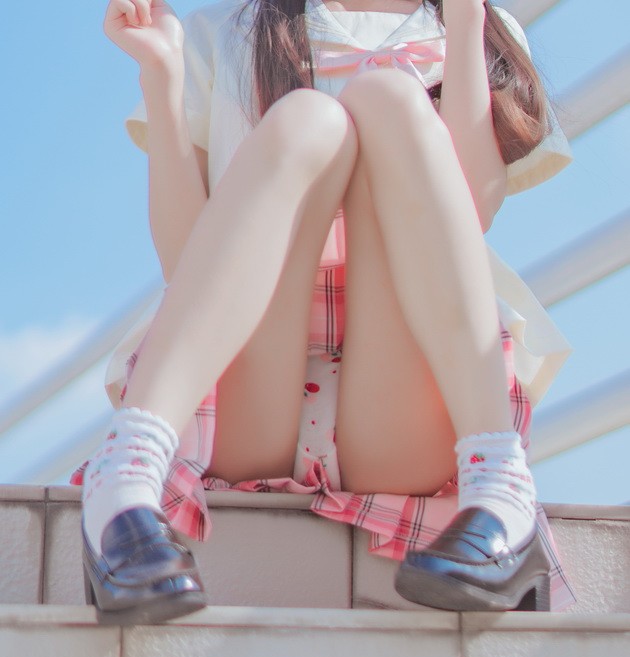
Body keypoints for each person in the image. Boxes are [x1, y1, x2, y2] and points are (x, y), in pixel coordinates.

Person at [77, 0, 575, 622]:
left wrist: (467, 19)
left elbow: (469, 219)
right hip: (248, 400)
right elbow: (188, 265)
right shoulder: (225, 33)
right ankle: (125, 475)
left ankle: (498, 484)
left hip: (401, 406)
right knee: (309, 119)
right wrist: (162, 74)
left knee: (389, 99)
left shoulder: (476, 24)